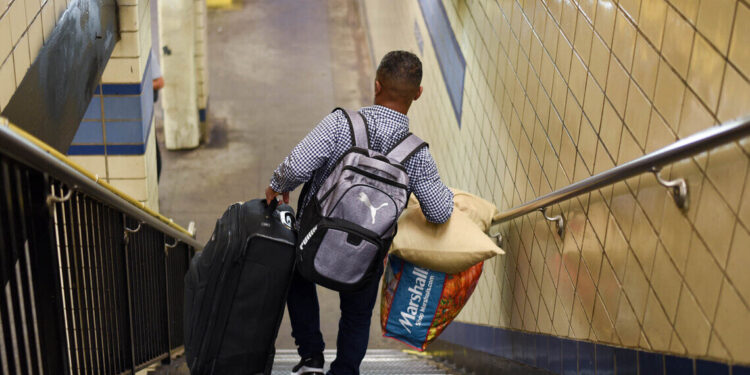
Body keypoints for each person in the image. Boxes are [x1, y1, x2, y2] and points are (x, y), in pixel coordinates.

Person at [265, 50, 454, 375]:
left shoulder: (341, 124)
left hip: (314, 242)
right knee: (357, 313)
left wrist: (275, 185)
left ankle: (311, 357)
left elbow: (296, 166)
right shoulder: (416, 154)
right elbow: (439, 212)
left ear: (376, 85)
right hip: (366, 259)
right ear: (418, 94)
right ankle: (346, 370)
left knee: (295, 275)